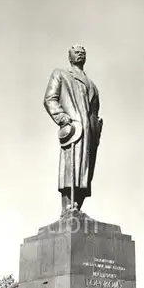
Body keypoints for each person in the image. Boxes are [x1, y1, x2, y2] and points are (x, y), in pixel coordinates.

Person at [44, 45, 103, 215]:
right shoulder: (61, 74)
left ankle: (77, 205)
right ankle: (68, 207)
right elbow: (50, 98)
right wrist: (61, 117)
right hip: (74, 129)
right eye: (76, 52)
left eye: (83, 52)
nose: (80, 53)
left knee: (86, 171)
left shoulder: (92, 85)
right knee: (72, 168)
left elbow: (95, 110)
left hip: (90, 132)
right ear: (70, 56)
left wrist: (96, 127)